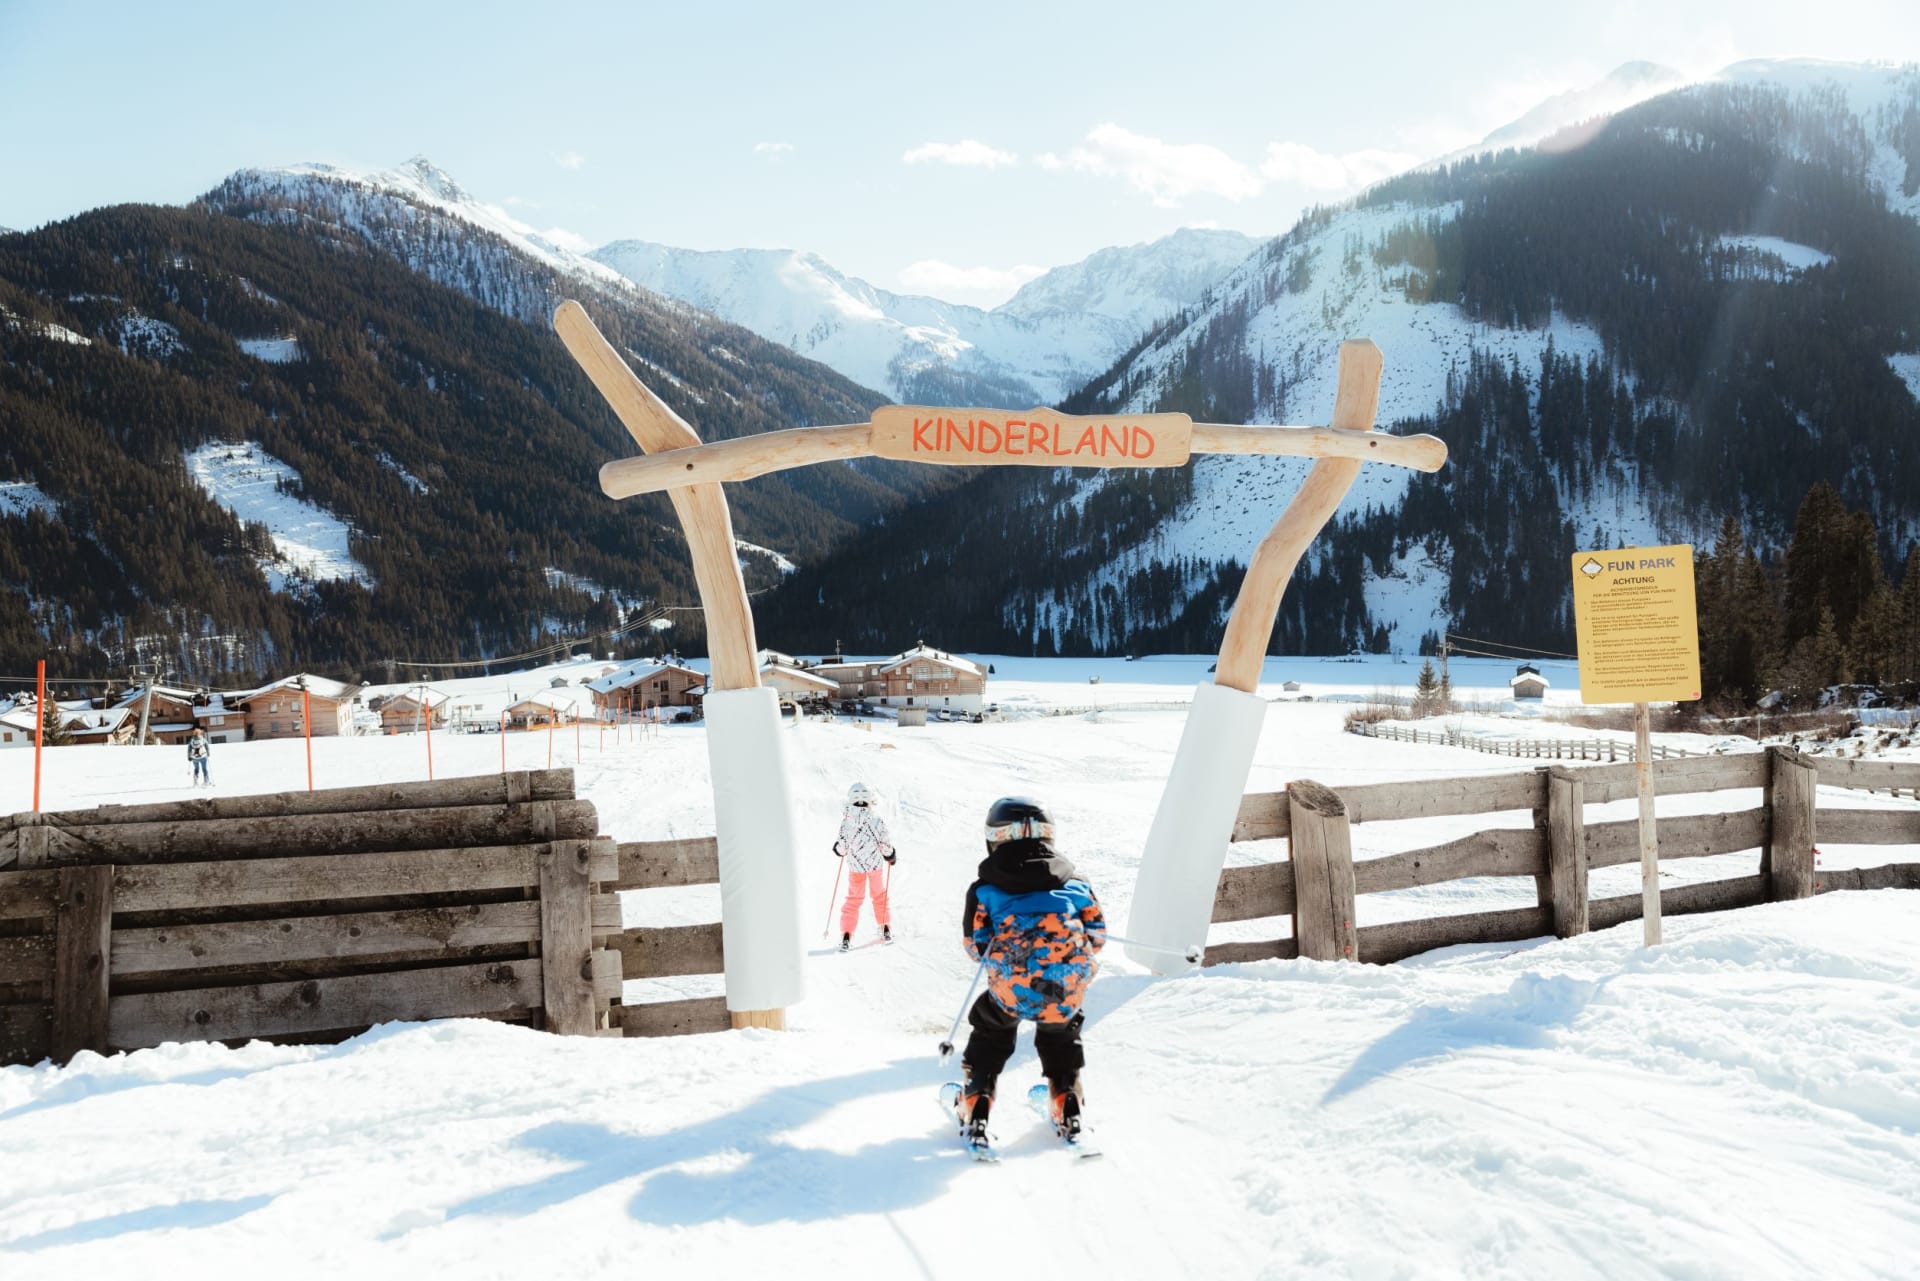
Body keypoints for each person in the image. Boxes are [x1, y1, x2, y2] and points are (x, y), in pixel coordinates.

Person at [953, 796, 1105, 1147]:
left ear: (994, 838)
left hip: (1012, 986)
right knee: (1061, 1030)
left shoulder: (985, 890)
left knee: (991, 1028)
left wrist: (1005, 955)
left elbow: (975, 946)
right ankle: (1066, 1100)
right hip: (1064, 986)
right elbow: (1096, 936)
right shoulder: (1076, 883)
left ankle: (976, 1102)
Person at [834, 781, 895, 950]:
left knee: (854, 899)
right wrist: (890, 855)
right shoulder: (876, 821)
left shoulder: (847, 822)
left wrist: (838, 849)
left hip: (856, 868)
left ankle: (846, 935)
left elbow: (842, 848)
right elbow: (885, 845)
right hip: (875, 866)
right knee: (879, 896)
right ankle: (885, 928)